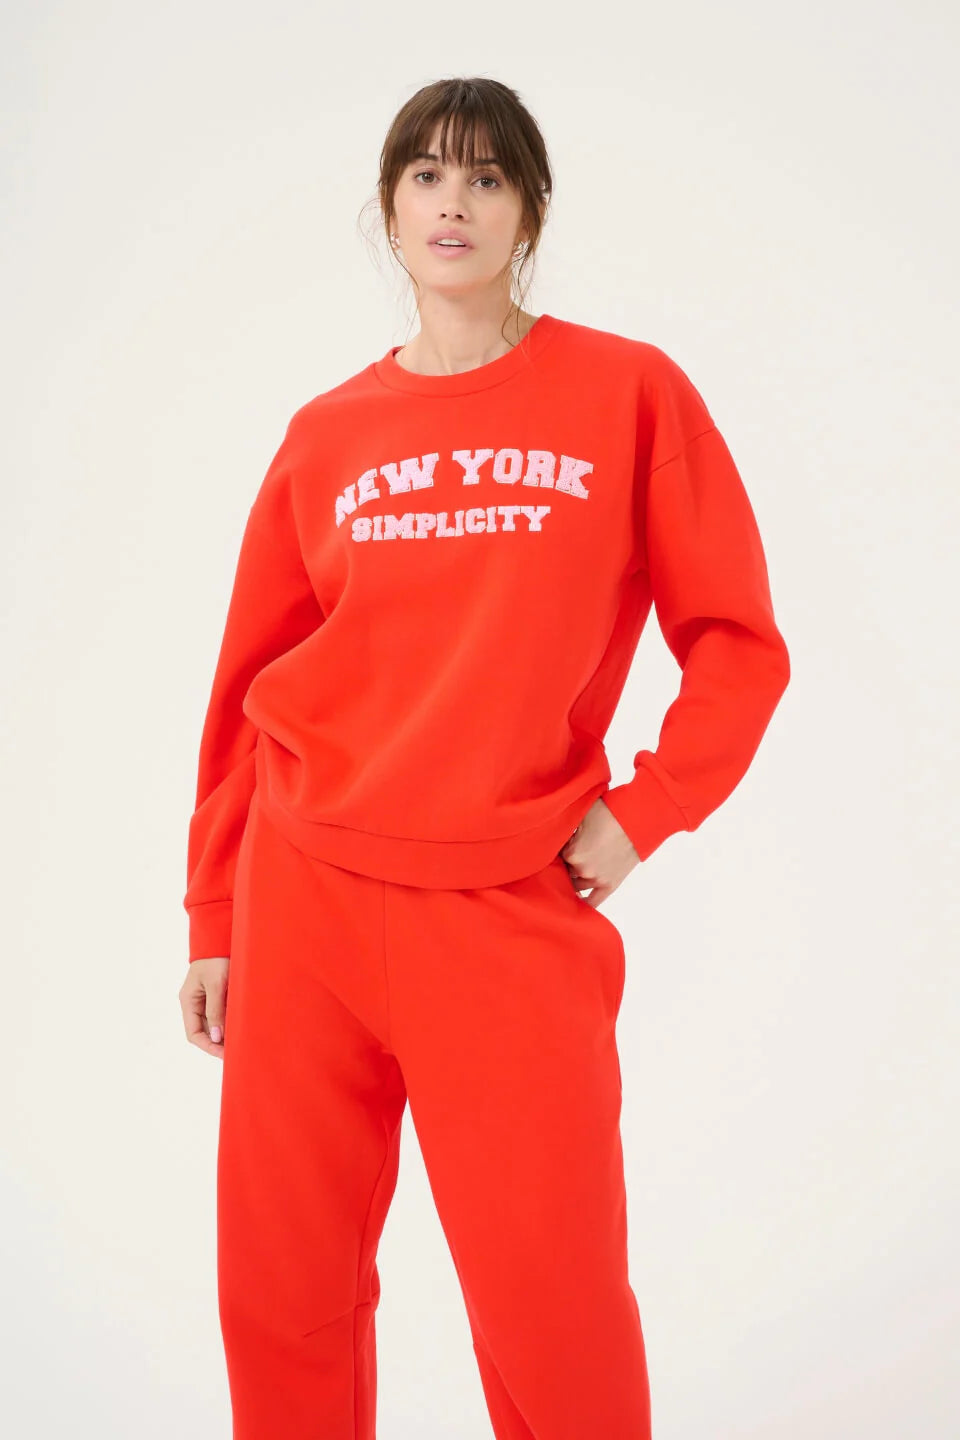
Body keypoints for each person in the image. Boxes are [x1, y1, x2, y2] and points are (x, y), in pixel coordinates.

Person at [178, 74, 790, 1440]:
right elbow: (245, 692)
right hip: (304, 896)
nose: (454, 203)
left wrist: (645, 810)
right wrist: (216, 911)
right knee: (283, 1295)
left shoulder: (627, 394)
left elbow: (740, 645)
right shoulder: (326, 436)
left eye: (487, 177)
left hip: (507, 906)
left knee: (550, 1305)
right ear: (389, 210)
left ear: (531, 212)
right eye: (427, 176)